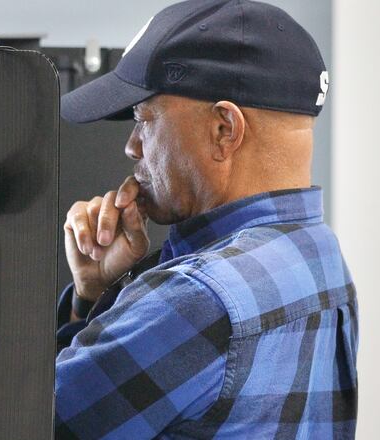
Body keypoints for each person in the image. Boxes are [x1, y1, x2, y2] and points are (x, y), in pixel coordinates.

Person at [54, 1, 358, 439]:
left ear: (224, 130)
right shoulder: (319, 253)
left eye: (143, 120)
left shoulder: (196, 297)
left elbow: (8, 424)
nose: (132, 147)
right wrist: (99, 293)